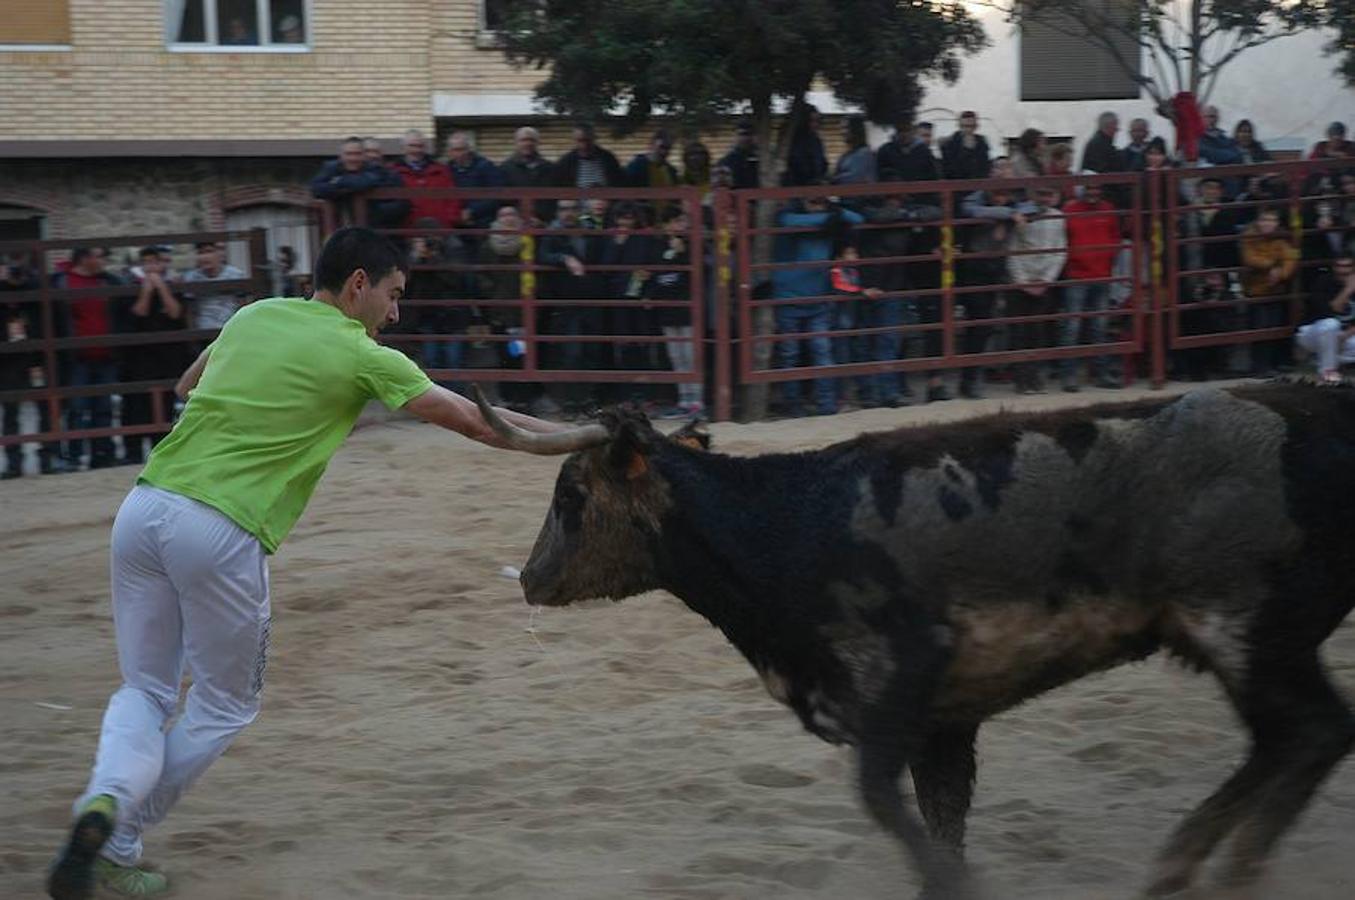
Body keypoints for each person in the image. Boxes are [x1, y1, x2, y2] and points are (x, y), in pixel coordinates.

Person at [44, 227, 569, 900]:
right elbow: (477, 420)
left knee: (143, 690)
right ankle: (117, 835)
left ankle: (102, 801)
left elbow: (186, 384)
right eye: (393, 294)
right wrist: (577, 442)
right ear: (359, 284)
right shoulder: (361, 353)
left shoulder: (253, 313)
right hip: (221, 528)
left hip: (143, 509)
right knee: (225, 704)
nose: (395, 312)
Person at [121, 247, 189, 466]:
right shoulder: (132, 285)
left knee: (166, 403)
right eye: (147, 262)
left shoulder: (173, 285)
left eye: (155, 262)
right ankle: (133, 452)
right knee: (137, 405)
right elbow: (138, 312)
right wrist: (147, 291)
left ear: (163, 264)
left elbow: (175, 312)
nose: (151, 267)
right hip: (139, 357)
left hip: (167, 356)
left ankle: (159, 451)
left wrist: (161, 288)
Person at [1059, 182, 1123, 391]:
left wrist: (1109, 258)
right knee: (1072, 327)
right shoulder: (1070, 210)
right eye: (1089, 189)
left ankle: (1100, 373)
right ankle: (1069, 375)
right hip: (1078, 275)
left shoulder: (1108, 209)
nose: (1093, 193)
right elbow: (1063, 240)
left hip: (1101, 274)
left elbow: (1115, 237)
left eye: (1096, 189)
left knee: (1099, 327)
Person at [1007, 185, 1068, 394]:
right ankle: (1021, 379)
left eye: (1049, 193)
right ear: (1034, 195)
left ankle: (1034, 377)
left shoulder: (1059, 217)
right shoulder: (1021, 215)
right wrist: (1022, 280)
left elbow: (1060, 250)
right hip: (1021, 280)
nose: (1045, 198)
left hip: (1044, 281)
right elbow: (1012, 248)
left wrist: (1046, 280)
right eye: (1041, 193)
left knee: (1037, 332)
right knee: (1019, 332)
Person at [1241, 207, 1298, 376]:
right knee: (1259, 328)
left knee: (1274, 328)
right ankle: (1259, 366)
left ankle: (1271, 364)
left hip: (1276, 288)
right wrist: (1273, 265)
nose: (1267, 224)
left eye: (1271, 220)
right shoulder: (1249, 237)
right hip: (1255, 290)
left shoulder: (1281, 238)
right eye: (1264, 220)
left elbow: (1291, 259)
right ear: (1258, 222)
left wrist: (1281, 273)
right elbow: (1250, 258)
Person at [309, 136, 408, 228]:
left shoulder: (375, 168)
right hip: (340, 227)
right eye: (349, 154)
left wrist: (338, 182)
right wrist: (349, 187)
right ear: (341, 155)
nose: (353, 158)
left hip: (373, 227)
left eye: (357, 154)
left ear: (364, 155)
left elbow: (363, 183)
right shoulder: (330, 167)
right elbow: (316, 189)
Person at [1294, 254, 1355, 382]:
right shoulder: (1323, 282)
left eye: (1347, 266)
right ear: (1333, 267)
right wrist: (1348, 289)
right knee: (1330, 325)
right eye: (1339, 266)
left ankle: (1319, 359)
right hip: (1313, 332)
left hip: (1344, 337)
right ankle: (1328, 371)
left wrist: (1345, 335)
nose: (1343, 270)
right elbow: (1331, 310)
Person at [389, 129, 461, 229]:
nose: (417, 150)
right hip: (406, 233)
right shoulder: (392, 172)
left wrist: (449, 222)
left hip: (440, 231)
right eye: (412, 145)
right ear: (403, 148)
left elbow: (453, 198)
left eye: (420, 146)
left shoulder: (441, 170)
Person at [181, 242, 247, 331]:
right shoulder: (191, 277)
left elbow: (243, 305)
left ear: (219, 254)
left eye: (209, 251)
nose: (205, 257)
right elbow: (190, 311)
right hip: (203, 332)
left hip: (231, 329)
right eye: (200, 253)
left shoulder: (235, 275)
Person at [555, 122, 625, 188]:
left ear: (594, 139)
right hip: (575, 199)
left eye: (587, 140)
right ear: (574, 140)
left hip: (603, 198)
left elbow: (619, 183)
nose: (584, 145)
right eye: (580, 141)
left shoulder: (608, 159)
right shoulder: (566, 162)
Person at [940, 110, 991, 181]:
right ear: (960, 126)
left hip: (978, 184)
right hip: (958, 184)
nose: (968, 129)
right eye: (965, 126)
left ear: (976, 126)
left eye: (972, 126)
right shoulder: (950, 143)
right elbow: (948, 168)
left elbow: (985, 165)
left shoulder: (982, 141)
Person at [833, 116, 877, 185]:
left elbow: (854, 178)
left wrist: (834, 180)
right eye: (841, 128)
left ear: (856, 129)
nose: (843, 132)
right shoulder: (846, 156)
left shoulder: (865, 154)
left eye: (846, 128)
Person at [720, 119, 760, 189]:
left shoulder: (764, 161)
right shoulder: (726, 162)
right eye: (742, 134)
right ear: (735, 136)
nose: (745, 138)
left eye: (749, 134)